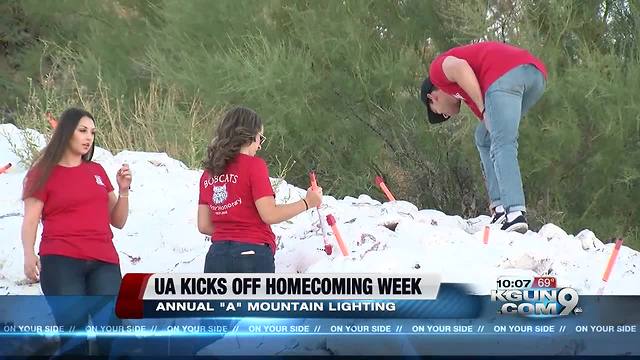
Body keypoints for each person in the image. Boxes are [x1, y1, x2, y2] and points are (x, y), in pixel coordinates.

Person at [21, 107, 132, 355]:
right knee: (75, 339)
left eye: (92, 132)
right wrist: (29, 254)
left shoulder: (96, 171)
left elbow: (118, 220)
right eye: (82, 131)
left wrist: (124, 190)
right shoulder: (42, 173)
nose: (88, 137)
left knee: (112, 332)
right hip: (61, 261)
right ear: (65, 132)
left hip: (104, 260)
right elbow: (30, 220)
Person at [420, 41, 547, 233]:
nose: (444, 115)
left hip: (504, 74)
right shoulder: (469, 94)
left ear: (433, 97)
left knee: (502, 143)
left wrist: (484, 108)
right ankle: (499, 208)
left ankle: (514, 212)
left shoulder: (437, 72)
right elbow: (490, 126)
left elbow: (461, 67)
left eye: (439, 113)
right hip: (535, 76)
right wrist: (483, 109)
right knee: (484, 137)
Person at [197, 106, 323, 273]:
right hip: (251, 255)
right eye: (260, 138)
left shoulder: (208, 174)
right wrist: (308, 202)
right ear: (249, 136)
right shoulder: (253, 166)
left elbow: (204, 225)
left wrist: (230, 232)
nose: (260, 146)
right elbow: (270, 214)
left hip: (216, 257)